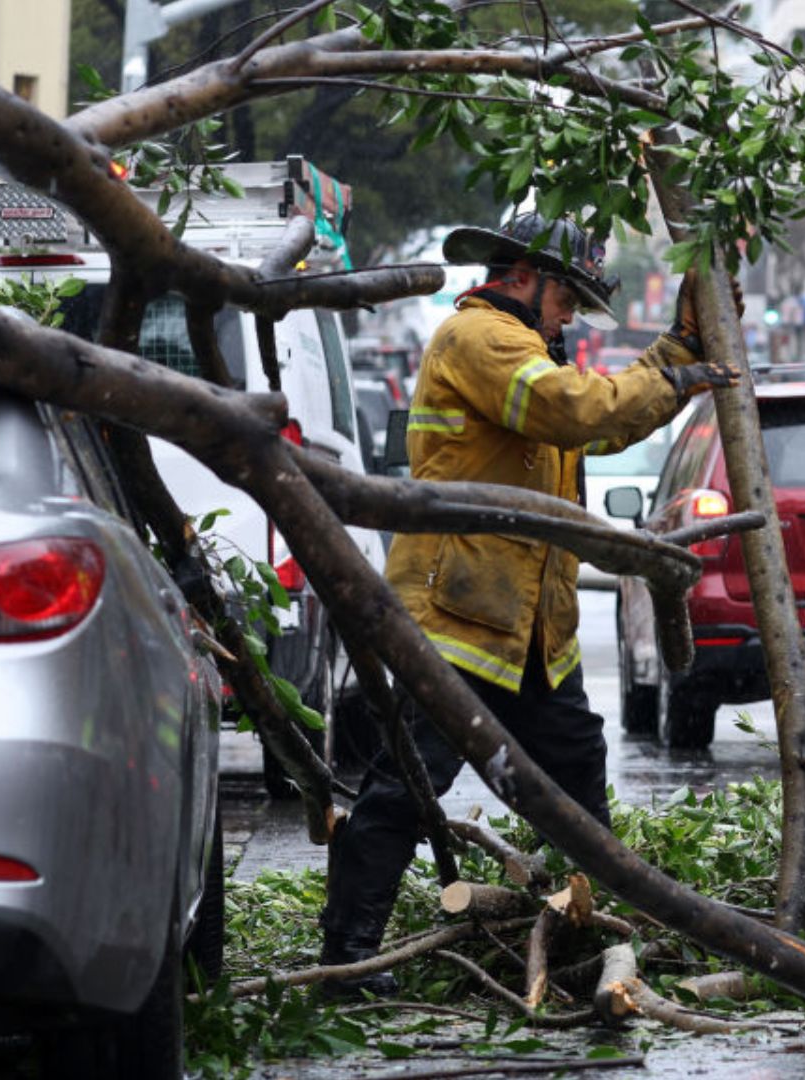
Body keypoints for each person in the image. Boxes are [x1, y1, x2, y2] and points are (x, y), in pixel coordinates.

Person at [319, 214, 738, 996]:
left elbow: (598, 418)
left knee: (577, 773)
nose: (570, 315)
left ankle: (597, 927)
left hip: (533, 629)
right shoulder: (480, 339)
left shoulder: (531, 354)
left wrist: (680, 349)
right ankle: (347, 959)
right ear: (521, 277)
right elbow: (578, 409)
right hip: (459, 620)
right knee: (407, 788)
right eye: (565, 297)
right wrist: (679, 378)